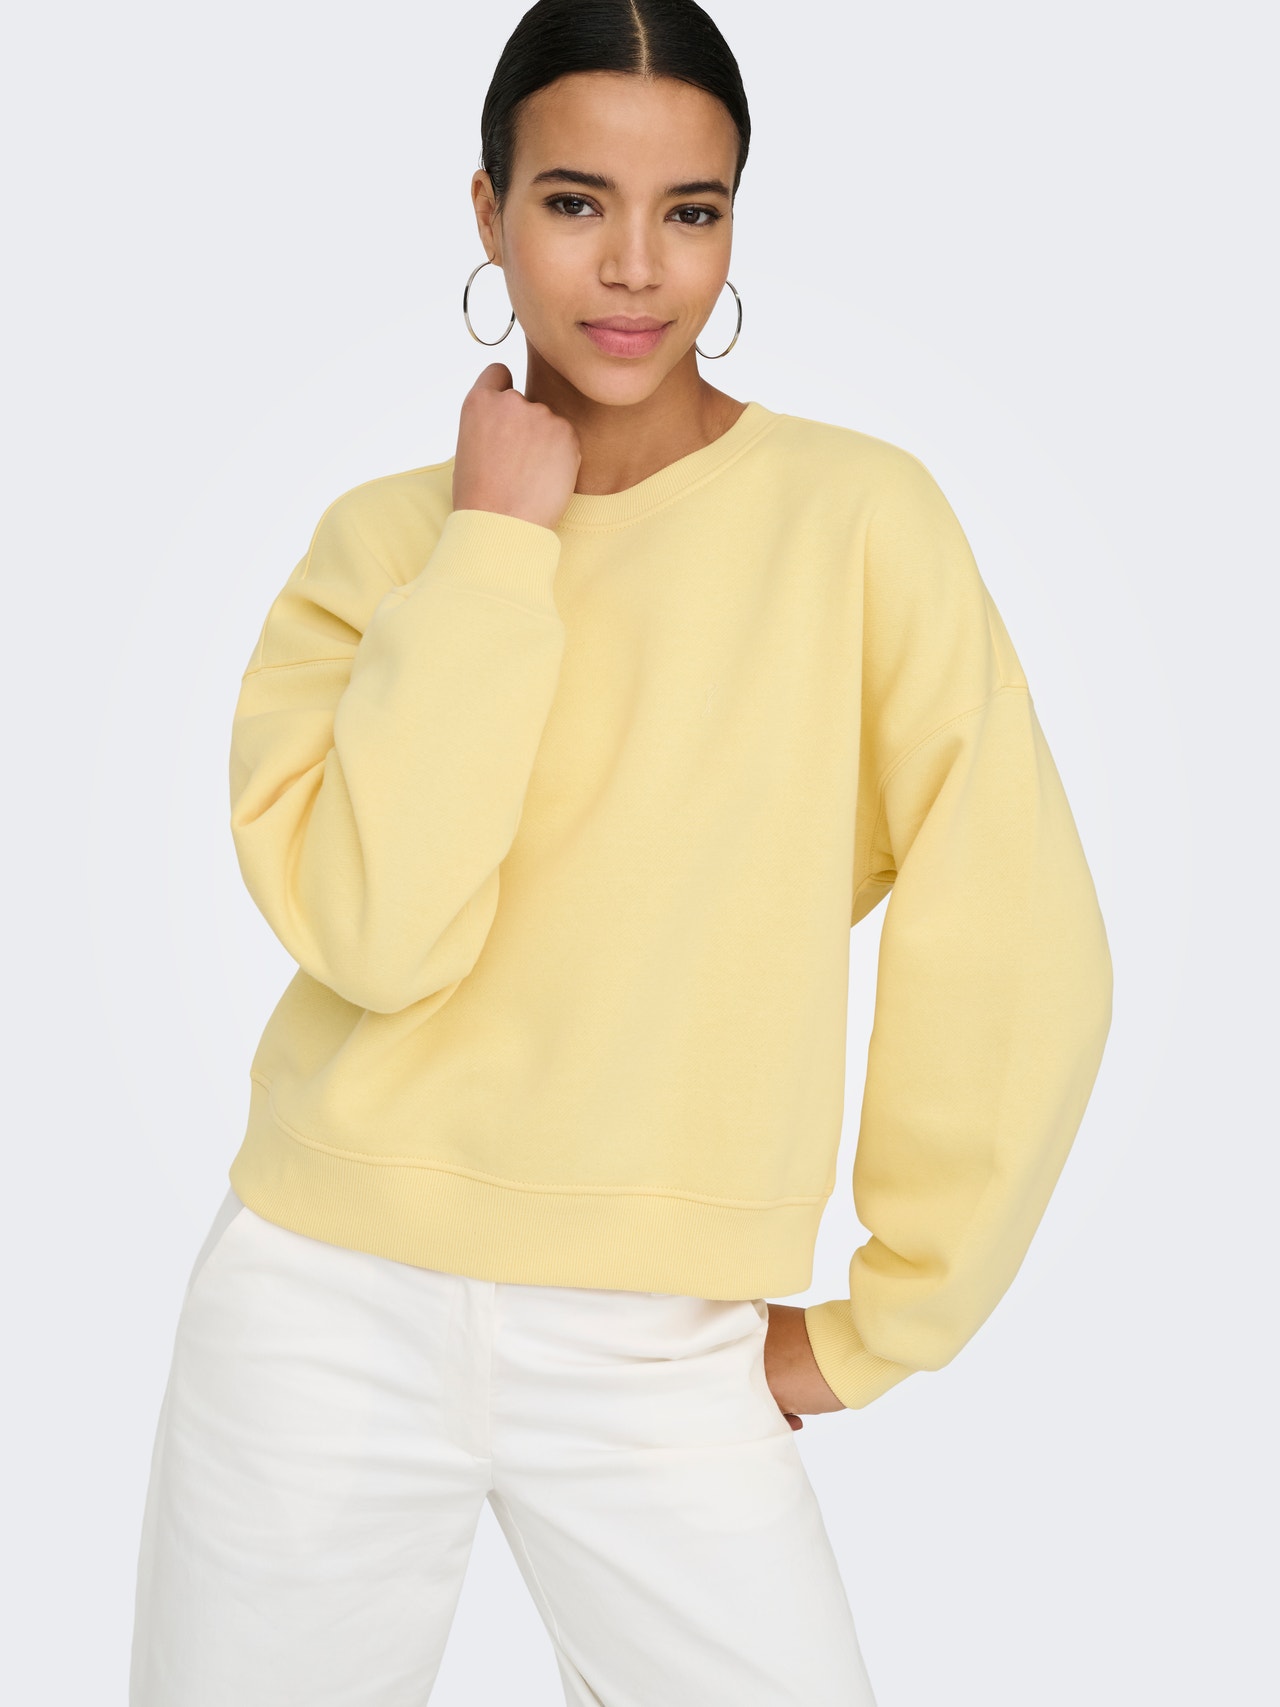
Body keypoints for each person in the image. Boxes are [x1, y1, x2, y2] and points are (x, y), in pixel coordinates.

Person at [128, 2, 1114, 1703]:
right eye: (576, 202)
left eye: (692, 210)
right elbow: (380, 936)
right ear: (490, 210)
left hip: (667, 1347)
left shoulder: (859, 521)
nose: (638, 268)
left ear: (735, 224)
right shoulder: (385, 546)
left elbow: (1015, 935)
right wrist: (494, 547)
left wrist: (885, 1320)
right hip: (319, 1305)